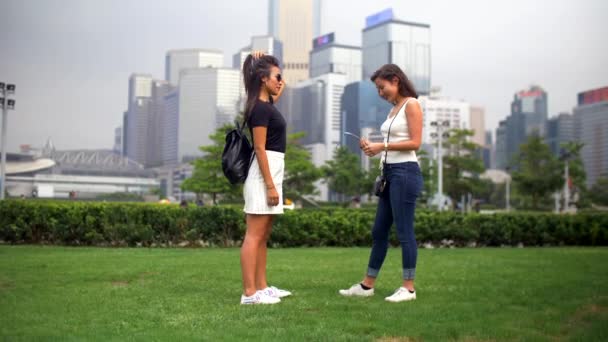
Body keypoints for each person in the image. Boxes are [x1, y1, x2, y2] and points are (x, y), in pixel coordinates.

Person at [339, 64, 424, 303]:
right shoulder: (394, 110)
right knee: (379, 231)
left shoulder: (411, 105)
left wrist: (381, 146)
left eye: (382, 87)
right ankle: (367, 285)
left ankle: (408, 288)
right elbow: (392, 143)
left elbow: (415, 142)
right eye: (377, 89)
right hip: (389, 174)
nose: (380, 92)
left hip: (405, 173)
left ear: (395, 80)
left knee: (405, 232)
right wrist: (373, 148)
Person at [239, 51, 292, 305]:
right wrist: (271, 185)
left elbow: (280, 86)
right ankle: (249, 293)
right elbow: (259, 148)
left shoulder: (267, 105)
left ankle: (262, 287)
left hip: (273, 170)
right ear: (263, 79)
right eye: (276, 77)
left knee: (263, 234)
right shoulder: (259, 109)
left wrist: (254, 59)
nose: (280, 81)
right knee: (254, 234)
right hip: (263, 174)